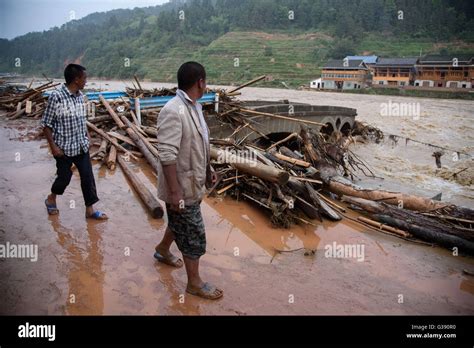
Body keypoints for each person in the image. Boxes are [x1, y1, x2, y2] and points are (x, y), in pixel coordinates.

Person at [154, 61, 223, 300]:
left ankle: (162, 250)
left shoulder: (195, 107)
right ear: (200, 82)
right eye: (206, 81)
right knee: (194, 232)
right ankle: (194, 283)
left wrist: (208, 168)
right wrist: (174, 193)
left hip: (193, 182)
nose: (207, 84)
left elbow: (199, 144)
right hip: (180, 188)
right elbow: (167, 155)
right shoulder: (173, 110)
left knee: (179, 221)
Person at [42, 63, 108, 220]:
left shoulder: (80, 97)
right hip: (63, 148)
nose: (86, 81)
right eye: (84, 78)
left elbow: (81, 120)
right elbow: (46, 124)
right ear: (76, 79)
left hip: (81, 146)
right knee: (64, 178)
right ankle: (51, 198)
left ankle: (90, 210)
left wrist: (88, 137)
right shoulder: (56, 97)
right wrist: (53, 147)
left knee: (87, 177)